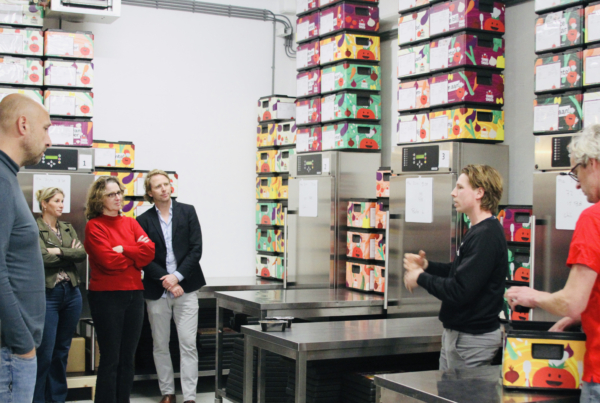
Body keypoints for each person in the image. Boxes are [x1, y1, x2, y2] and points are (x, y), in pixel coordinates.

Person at [506, 124, 600, 403]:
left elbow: (572, 301)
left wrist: (532, 296)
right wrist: (578, 316)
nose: (577, 183)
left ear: (592, 163)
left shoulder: (593, 219)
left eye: (576, 171)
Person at [403, 164, 507, 370]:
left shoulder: (486, 235)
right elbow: (460, 272)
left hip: (472, 339)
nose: (453, 192)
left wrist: (420, 277)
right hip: (461, 335)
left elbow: (459, 290)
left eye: (460, 187)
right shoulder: (479, 230)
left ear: (479, 193)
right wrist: (427, 266)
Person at [83, 176, 155, 403]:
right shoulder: (94, 226)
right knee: (111, 358)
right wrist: (134, 257)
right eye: (111, 194)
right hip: (107, 296)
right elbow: (108, 261)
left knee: (128, 357)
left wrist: (123, 248)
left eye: (119, 192)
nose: (118, 198)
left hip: (134, 294)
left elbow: (149, 252)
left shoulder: (131, 223)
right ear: (99, 199)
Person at [0, 94, 52, 403]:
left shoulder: (8, 176)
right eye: (45, 128)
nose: (48, 140)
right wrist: (22, 343)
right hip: (10, 352)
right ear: (23, 125)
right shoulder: (1, 180)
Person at [137, 169, 205, 403]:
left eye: (166, 184)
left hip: (187, 287)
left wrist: (176, 277)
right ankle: (167, 393)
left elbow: (196, 249)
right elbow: (144, 258)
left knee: (188, 344)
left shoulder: (188, 211)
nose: (164, 189)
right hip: (157, 291)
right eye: (158, 186)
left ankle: (190, 397)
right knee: (160, 344)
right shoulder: (142, 220)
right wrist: (166, 280)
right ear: (150, 192)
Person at [34, 187, 86, 403]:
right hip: (49, 293)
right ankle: (37, 399)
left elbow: (81, 253)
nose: (61, 205)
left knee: (62, 350)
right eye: (56, 201)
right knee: (45, 352)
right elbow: (41, 258)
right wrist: (68, 253)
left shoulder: (67, 227)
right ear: (44, 204)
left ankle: (56, 399)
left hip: (71, 293)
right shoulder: (35, 228)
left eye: (62, 200)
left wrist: (58, 251)